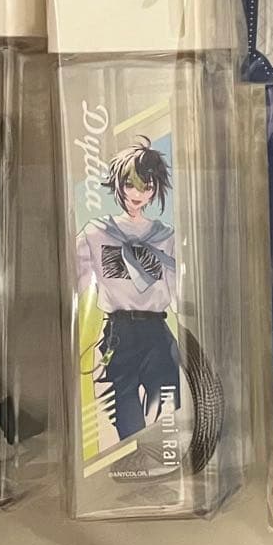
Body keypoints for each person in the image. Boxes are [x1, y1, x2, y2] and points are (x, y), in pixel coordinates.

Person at [77, 138, 179, 443]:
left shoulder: (166, 237)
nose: (137, 193)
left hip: (157, 331)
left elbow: (178, 291)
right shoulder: (96, 233)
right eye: (129, 184)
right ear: (118, 185)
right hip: (119, 333)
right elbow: (75, 282)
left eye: (146, 186)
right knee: (125, 416)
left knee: (167, 410)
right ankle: (129, 458)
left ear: (155, 189)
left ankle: (163, 458)